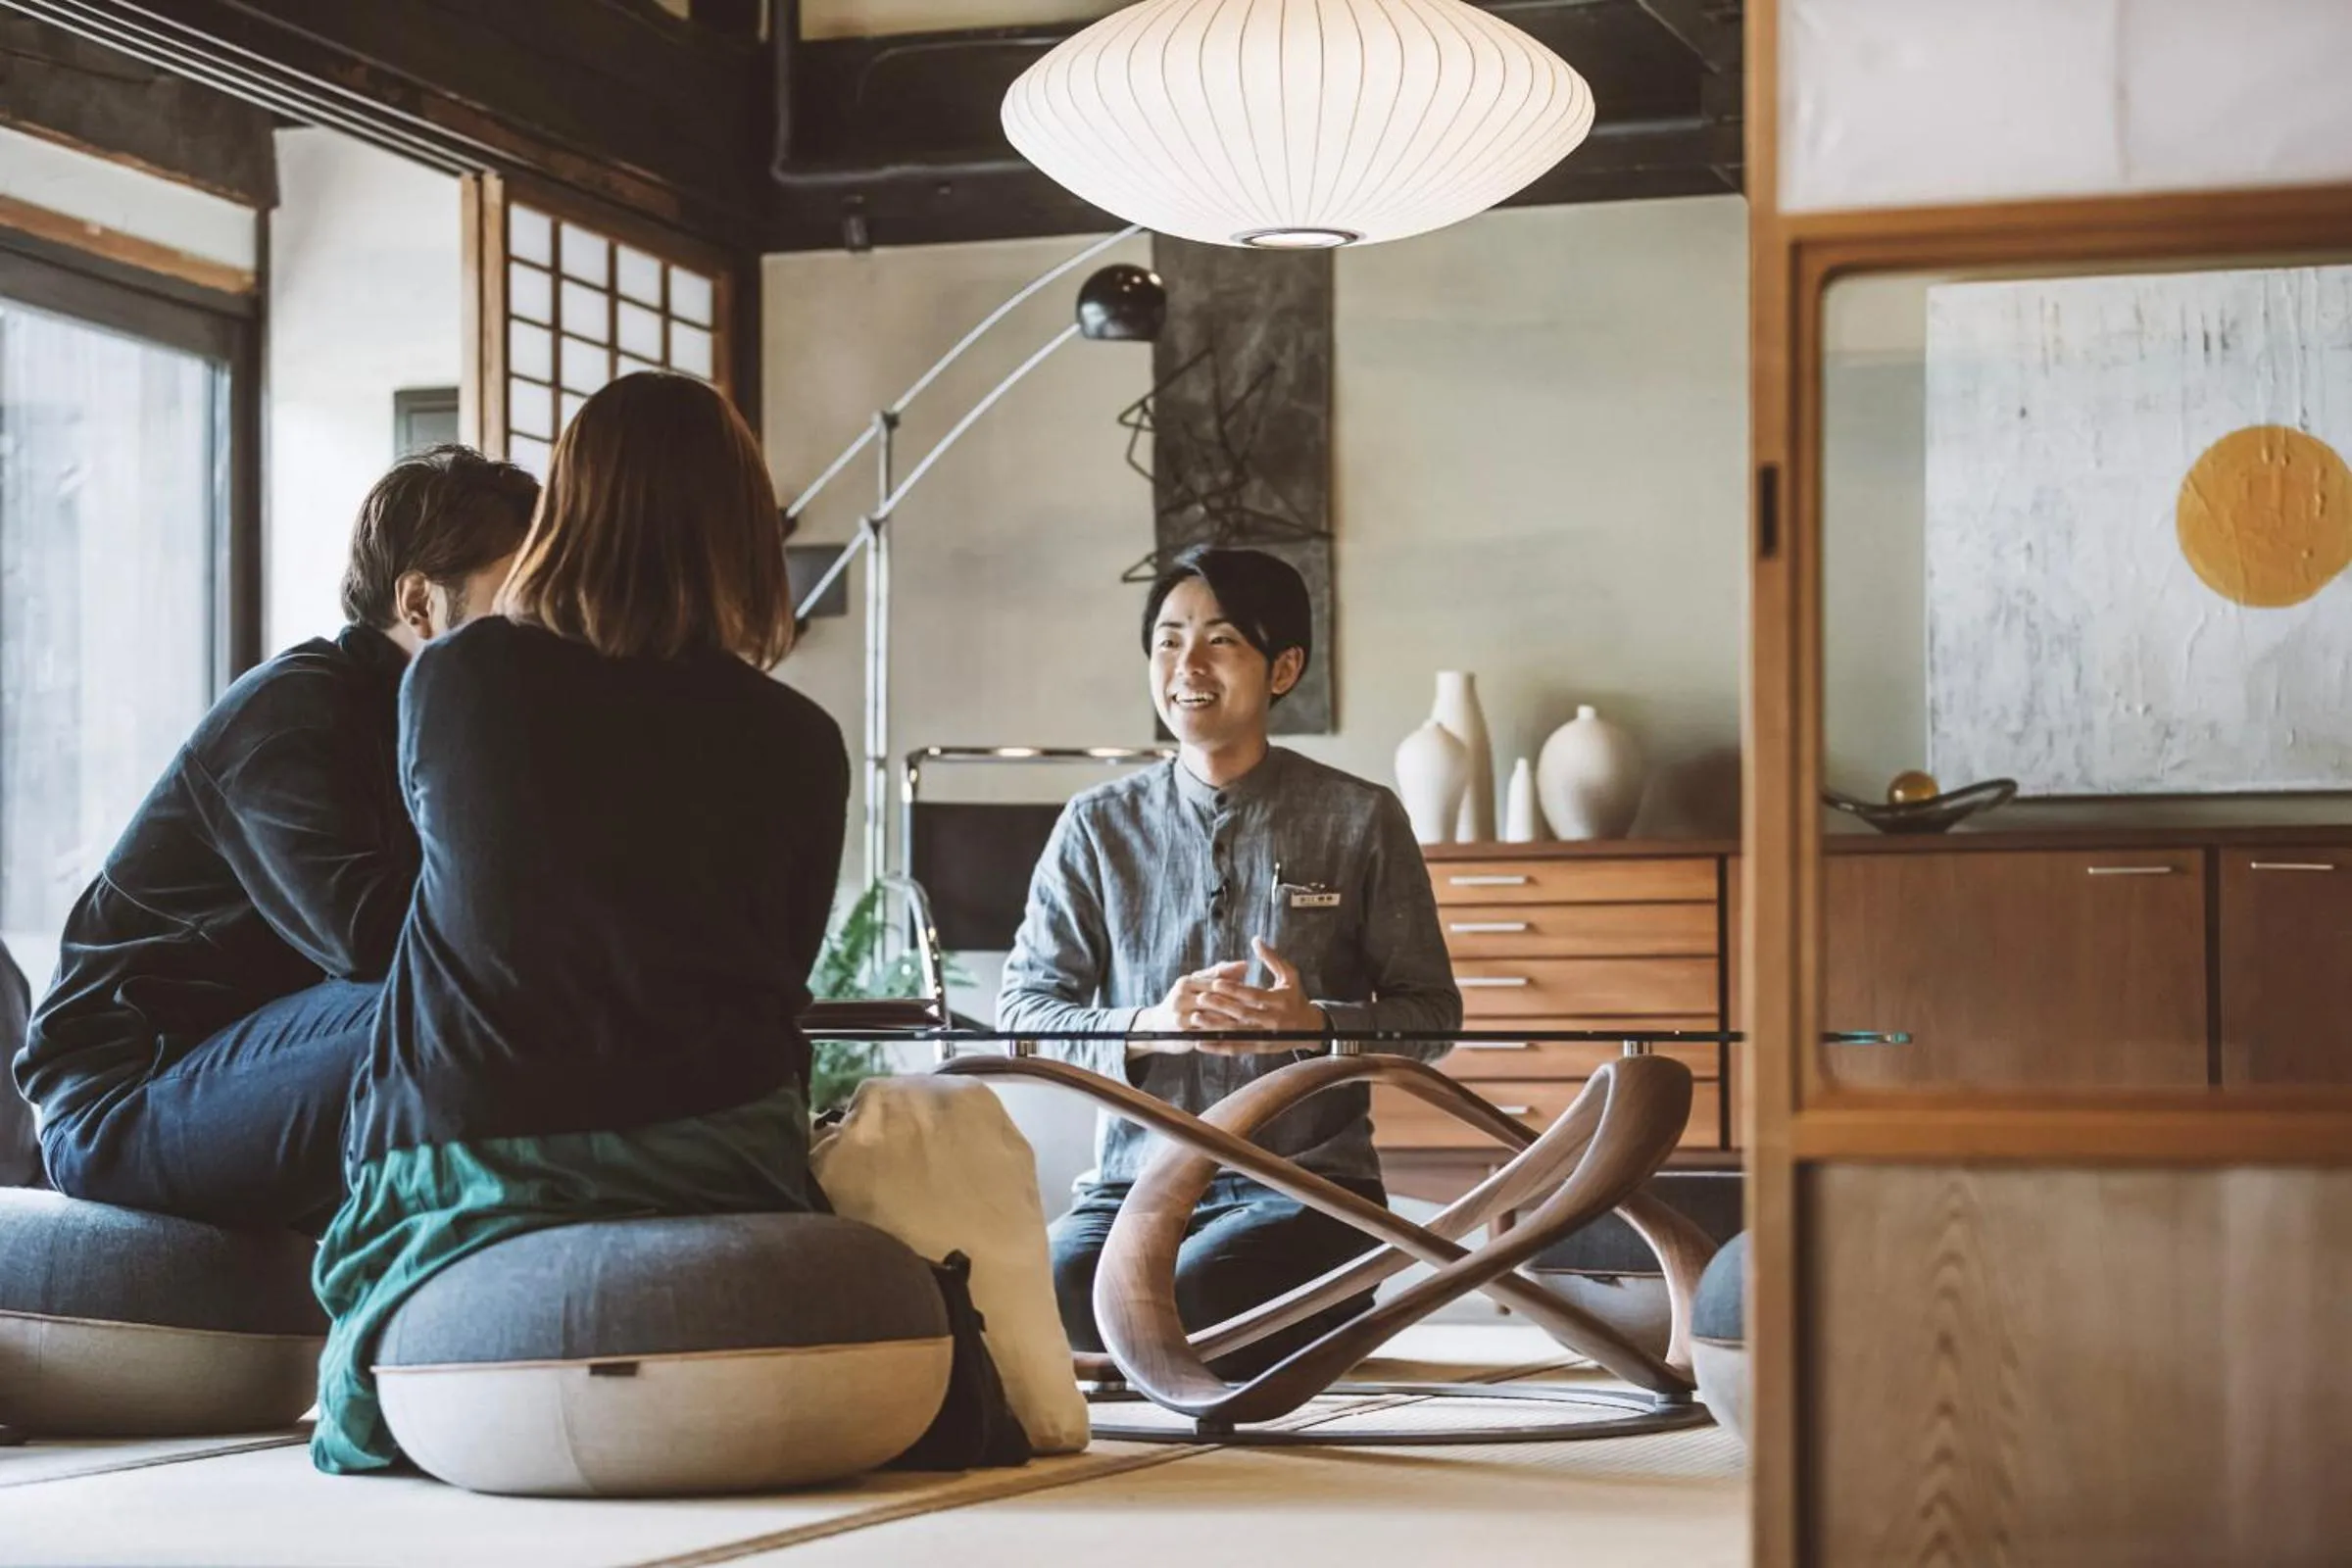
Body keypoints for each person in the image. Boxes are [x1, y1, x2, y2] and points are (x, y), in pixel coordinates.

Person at [311, 371, 848, 1475]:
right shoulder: (799, 736)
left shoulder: (457, 681)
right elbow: (780, 969)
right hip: (718, 1150)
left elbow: (474, 887)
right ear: (742, 527)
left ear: (567, 506)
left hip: (478, 1135)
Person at [14, 448, 538, 1231]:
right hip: (123, 1098)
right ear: (421, 601)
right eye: (519, 599)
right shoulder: (292, 713)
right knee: (444, 1011)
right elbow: (370, 942)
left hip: (252, 1058)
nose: (540, 631)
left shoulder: (438, 726)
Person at [999, 547, 1462, 1379]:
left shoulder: (1360, 818)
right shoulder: (1095, 826)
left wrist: (1315, 1026)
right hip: (1134, 1189)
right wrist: (1152, 1027)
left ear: (1284, 667)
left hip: (1308, 1188)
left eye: (1220, 641)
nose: (1188, 666)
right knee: (1049, 1295)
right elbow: (1025, 1014)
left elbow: (1432, 1013)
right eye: (1169, 641)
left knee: (1193, 1294)